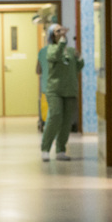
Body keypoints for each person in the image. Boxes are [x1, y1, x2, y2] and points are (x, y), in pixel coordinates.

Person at [40, 24, 84, 161]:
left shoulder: (70, 50)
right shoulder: (51, 49)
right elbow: (56, 56)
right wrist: (62, 42)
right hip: (55, 90)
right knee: (55, 115)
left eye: (62, 29)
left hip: (70, 90)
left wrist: (79, 58)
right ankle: (45, 148)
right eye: (57, 31)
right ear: (52, 35)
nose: (61, 32)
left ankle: (60, 150)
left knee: (66, 121)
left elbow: (77, 67)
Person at [35, 24, 58, 132]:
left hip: (45, 88)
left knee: (47, 114)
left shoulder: (42, 52)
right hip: (58, 89)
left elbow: (38, 70)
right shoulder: (61, 51)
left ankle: (48, 131)